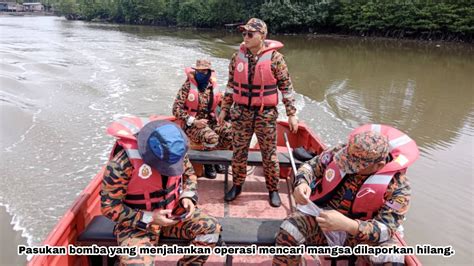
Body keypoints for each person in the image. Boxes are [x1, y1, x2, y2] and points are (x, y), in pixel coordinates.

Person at [273, 124, 419, 265]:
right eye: (347, 160)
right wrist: (301, 183)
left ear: (378, 165)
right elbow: (310, 166)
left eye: (355, 166)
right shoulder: (340, 152)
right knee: (290, 228)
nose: (346, 166)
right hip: (325, 221)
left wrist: (349, 225)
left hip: (362, 237)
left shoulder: (399, 187)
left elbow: (386, 229)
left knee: (392, 256)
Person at [101, 117, 221, 265]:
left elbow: (189, 175)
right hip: (138, 224)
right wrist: (150, 218)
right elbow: (109, 207)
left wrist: (188, 196)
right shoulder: (122, 163)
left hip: (174, 214)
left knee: (210, 230)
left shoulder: (175, 151)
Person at [218, 18, 299, 207]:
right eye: (243, 33)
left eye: (250, 34)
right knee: (238, 152)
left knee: (269, 154)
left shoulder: (276, 59)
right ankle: (237, 185)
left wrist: (291, 114)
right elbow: (231, 86)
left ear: (262, 36)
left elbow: (286, 88)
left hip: (265, 114)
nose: (245, 37)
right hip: (241, 113)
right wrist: (224, 109)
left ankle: (273, 189)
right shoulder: (236, 57)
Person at [173, 59, 232, 179]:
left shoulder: (213, 86)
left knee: (232, 133)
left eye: (205, 71)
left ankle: (217, 159)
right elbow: (176, 109)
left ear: (210, 72)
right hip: (193, 125)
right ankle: (208, 163)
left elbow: (222, 101)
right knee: (212, 137)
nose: (202, 74)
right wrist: (194, 121)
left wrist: (225, 112)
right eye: (199, 71)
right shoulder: (187, 86)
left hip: (211, 122)